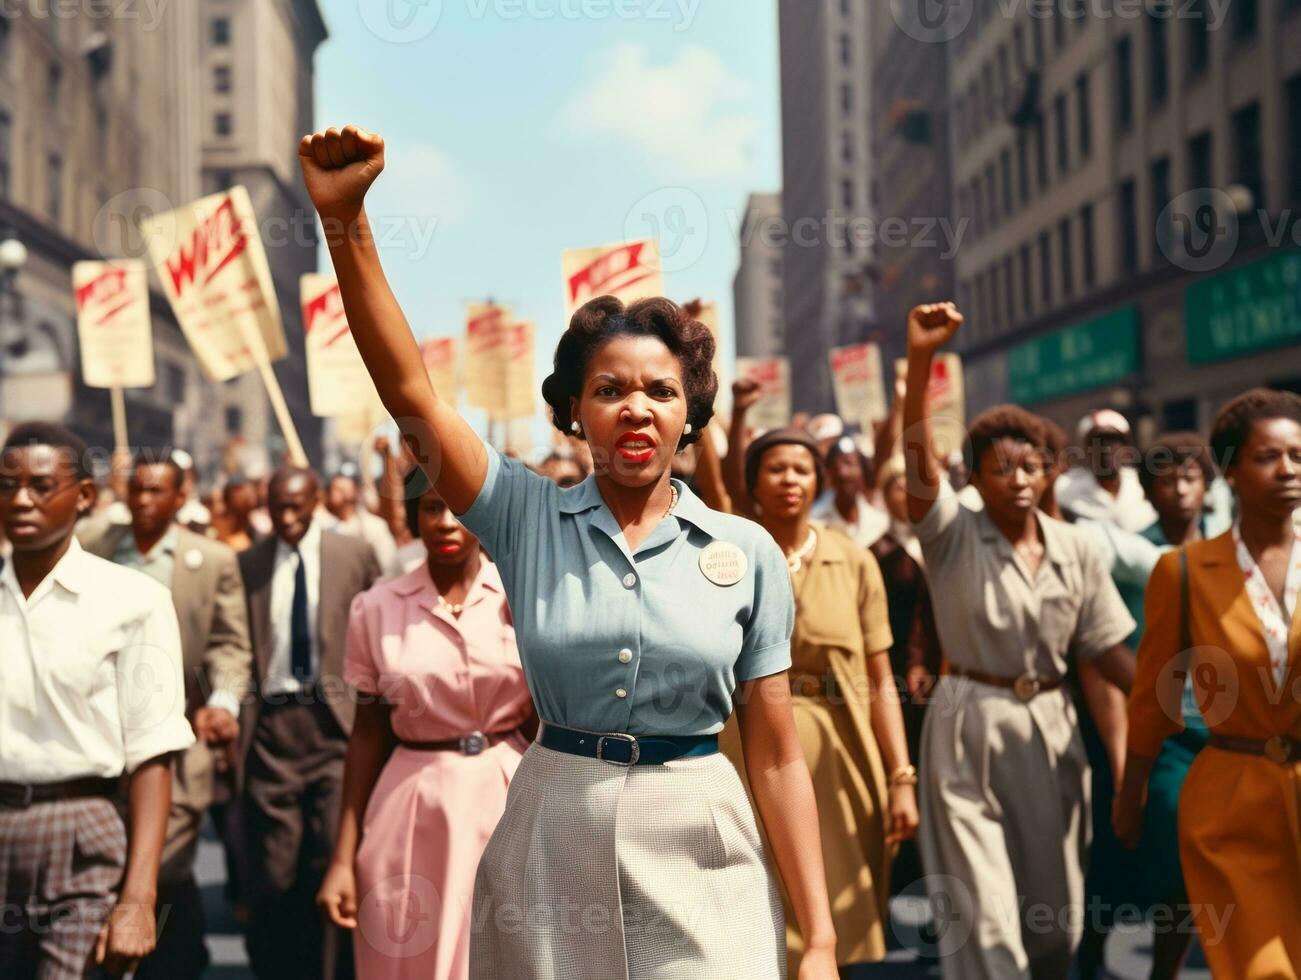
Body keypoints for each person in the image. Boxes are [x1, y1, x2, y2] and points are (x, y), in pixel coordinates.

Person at [298, 123, 841, 980]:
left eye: (660, 390)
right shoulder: (522, 516)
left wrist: (819, 938)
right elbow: (410, 393)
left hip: (704, 840)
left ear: (689, 415)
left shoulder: (746, 552)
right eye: (609, 389)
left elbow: (774, 756)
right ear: (574, 412)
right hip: (552, 829)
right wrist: (346, 223)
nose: (636, 407)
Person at [902, 304, 1136, 979]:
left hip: (1051, 727)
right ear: (972, 477)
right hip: (966, 718)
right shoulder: (948, 534)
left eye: (1031, 467)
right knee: (988, 925)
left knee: (1053, 924)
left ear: (1049, 471)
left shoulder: (1076, 548)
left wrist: (1169, 701)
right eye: (1001, 469)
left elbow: (1106, 651)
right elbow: (917, 459)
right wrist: (920, 360)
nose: (1020, 480)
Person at [318, 466, 536, 978]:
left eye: (458, 508)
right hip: (412, 803)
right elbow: (367, 735)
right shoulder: (375, 607)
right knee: (409, 952)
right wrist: (342, 858)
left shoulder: (522, 598)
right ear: (413, 518)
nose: (445, 522)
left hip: (511, 792)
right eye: (430, 508)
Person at [1116, 388, 1301, 978]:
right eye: (1268, 456)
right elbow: (1152, 699)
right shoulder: (1185, 572)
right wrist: (1131, 793)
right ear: (1230, 470)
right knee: (1263, 970)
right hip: (1231, 807)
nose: (1289, 469)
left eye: (1299, 455)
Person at [719, 427, 918, 975]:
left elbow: (879, 678)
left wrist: (900, 775)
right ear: (753, 483)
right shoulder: (724, 556)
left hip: (841, 757)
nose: (790, 480)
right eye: (775, 469)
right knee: (754, 902)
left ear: (819, 481)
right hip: (743, 753)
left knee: (834, 904)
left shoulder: (854, 560)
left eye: (802, 470)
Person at [0, 423, 195, 978]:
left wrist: (138, 899)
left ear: (84, 496)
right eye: (7, 485)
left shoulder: (133, 601)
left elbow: (153, 756)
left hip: (84, 840)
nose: (20, 500)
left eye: (41, 485)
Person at [79, 450, 253, 980]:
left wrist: (222, 703)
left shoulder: (212, 560)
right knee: (107, 863)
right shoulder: (92, 548)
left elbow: (229, 645)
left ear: (181, 497)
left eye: (157, 491)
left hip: (179, 739)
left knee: (166, 862)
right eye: (137, 489)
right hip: (101, 739)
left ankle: (171, 956)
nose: (144, 500)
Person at [236, 466, 381, 980]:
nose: (288, 517)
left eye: (298, 506)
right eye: (278, 507)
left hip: (335, 724)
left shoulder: (352, 554)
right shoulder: (249, 562)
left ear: (316, 500)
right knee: (274, 870)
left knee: (331, 856)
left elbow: (376, 631)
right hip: (274, 728)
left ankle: (335, 970)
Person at [870, 454, 942, 894]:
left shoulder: (942, 541)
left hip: (949, 674)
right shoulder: (877, 552)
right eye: (897, 485)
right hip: (895, 677)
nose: (907, 492)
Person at [1055, 409, 1158, 531]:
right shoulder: (1066, 489)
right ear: (1086, 448)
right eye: (1097, 442)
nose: (1106, 449)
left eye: (1113, 441)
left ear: (1125, 448)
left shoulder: (1142, 482)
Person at [809, 436, 890, 549]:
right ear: (829, 473)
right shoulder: (815, 522)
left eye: (850, 464)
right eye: (836, 466)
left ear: (862, 471)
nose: (843, 473)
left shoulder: (880, 520)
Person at [322, 471, 400, 577]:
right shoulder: (322, 525)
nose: (344, 494)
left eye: (347, 489)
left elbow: (388, 566)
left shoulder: (375, 526)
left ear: (356, 491)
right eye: (338, 489)